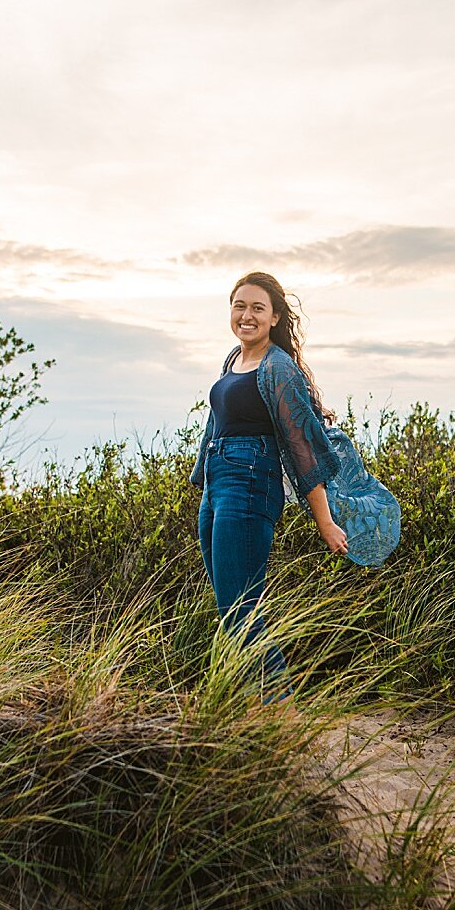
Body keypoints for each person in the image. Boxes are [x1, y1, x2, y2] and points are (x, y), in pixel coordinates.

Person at [189, 271, 347, 702]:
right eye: (239, 306)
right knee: (230, 607)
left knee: (242, 610)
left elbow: (303, 448)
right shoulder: (232, 359)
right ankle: (252, 705)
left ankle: (281, 712)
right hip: (218, 484)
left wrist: (325, 521)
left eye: (258, 308)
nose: (247, 315)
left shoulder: (278, 367)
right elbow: (217, 423)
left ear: (275, 317)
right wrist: (204, 477)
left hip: (250, 483)